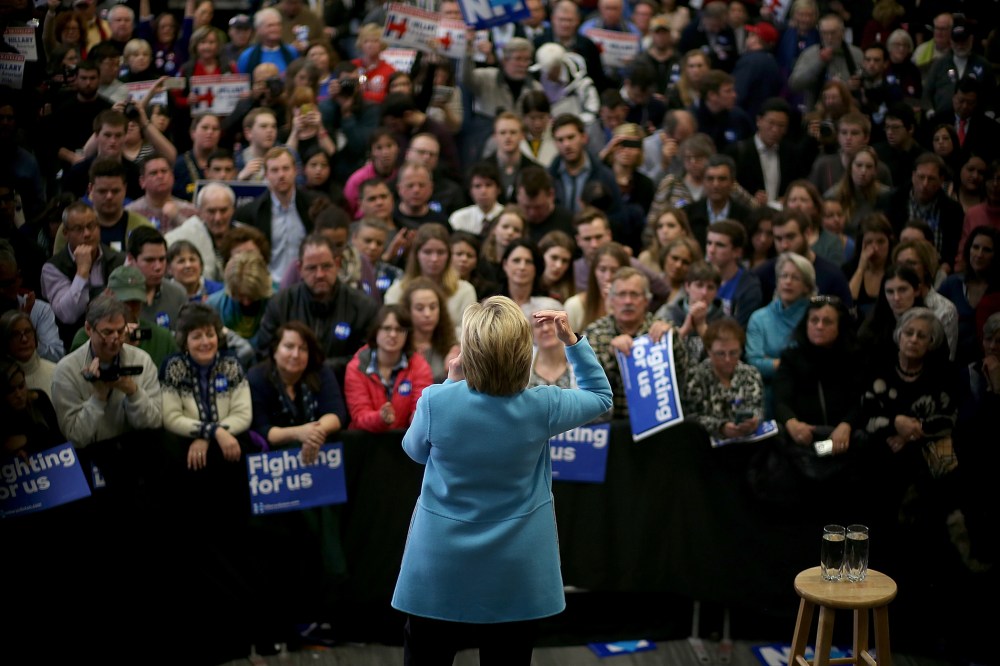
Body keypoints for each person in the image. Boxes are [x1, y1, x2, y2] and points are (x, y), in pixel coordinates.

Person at [391, 300, 612, 664]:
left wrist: (450, 382)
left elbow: (414, 450)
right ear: (522, 351)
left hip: (441, 562)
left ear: (471, 352)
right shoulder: (543, 405)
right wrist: (571, 341)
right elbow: (600, 396)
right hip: (515, 566)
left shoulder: (436, 400)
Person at [246, 320, 348, 647]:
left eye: (302, 348)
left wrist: (316, 430)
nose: (296, 354)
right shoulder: (258, 378)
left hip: (317, 475)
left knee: (324, 541)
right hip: (275, 482)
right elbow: (262, 429)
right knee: (286, 550)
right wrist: (300, 432)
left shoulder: (320, 372)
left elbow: (338, 414)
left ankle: (325, 616)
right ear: (275, 350)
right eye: (289, 346)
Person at [257, 233, 378, 383]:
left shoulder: (363, 307)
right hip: (289, 386)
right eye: (311, 268)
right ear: (300, 268)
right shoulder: (281, 303)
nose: (320, 274)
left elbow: (368, 358)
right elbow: (264, 351)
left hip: (344, 388)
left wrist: (314, 367)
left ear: (338, 264)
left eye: (326, 266)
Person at [51, 294, 162, 448]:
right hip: (91, 456)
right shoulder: (67, 371)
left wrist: (133, 392)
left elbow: (154, 423)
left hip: (134, 450)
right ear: (89, 329)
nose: (115, 339)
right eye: (107, 332)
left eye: (120, 331)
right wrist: (98, 398)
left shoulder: (142, 360)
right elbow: (74, 438)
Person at [585, 267, 687, 420]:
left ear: (647, 300)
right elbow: (590, 387)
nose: (628, 301)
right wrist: (612, 356)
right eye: (621, 294)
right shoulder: (595, 333)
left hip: (657, 420)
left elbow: (683, 377)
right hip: (613, 424)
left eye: (634, 294)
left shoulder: (662, 329)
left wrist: (673, 340)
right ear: (611, 300)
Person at [160, 303, 251, 473]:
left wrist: (210, 436)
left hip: (229, 441)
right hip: (186, 445)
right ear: (185, 341)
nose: (205, 342)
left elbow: (243, 414)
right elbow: (171, 418)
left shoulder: (231, 363)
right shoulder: (173, 366)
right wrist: (214, 432)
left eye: (210, 334)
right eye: (196, 336)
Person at [41, 201, 126, 347]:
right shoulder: (52, 268)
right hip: (73, 344)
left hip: (115, 339)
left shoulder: (119, 260)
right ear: (66, 233)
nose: (87, 234)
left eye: (91, 226)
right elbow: (68, 315)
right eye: (78, 229)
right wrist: (82, 272)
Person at [746, 252, 816, 417]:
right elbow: (754, 363)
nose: (788, 282)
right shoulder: (759, 318)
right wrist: (790, 364)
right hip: (770, 394)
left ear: (807, 286)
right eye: (783, 276)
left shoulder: (814, 316)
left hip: (808, 392)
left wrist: (774, 363)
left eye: (795, 277)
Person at [344, 304, 432, 432]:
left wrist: (418, 417)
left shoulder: (420, 366)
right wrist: (380, 418)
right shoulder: (356, 367)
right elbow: (359, 416)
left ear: (407, 334)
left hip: (405, 442)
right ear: (376, 331)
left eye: (399, 329)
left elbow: (420, 408)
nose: (392, 334)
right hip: (366, 442)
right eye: (387, 328)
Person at [685, 318, 763, 441]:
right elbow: (691, 417)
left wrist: (754, 420)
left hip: (748, 441)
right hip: (708, 446)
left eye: (733, 353)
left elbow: (757, 407)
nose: (727, 359)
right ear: (709, 351)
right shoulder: (695, 377)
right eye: (720, 354)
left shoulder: (750, 374)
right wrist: (721, 427)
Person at [938, 227, 999, 367]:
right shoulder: (951, 284)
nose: (979, 254)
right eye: (975, 247)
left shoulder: (997, 291)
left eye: (987, 250)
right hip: (950, 363)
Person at [658, 260, 729, 363]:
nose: (704, 293)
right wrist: (684, 330)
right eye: (699, 285)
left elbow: (725, 360)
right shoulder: (668, 313)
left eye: (710, 287)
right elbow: (660, 356)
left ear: (717, 291)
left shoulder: (725, 321)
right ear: (687, 286)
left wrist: (702, 327)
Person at [208, 249, 272, 351]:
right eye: (240, 296)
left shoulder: (277, 302)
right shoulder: (214, 305)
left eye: (252, 296)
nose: (246, 302)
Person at [0, 359, 64, 457]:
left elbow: (58, 438)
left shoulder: (39, 399)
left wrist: (26, 439)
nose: (19, 395)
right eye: (11, 390)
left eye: (21, 386)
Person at [401, 278, 459, 384]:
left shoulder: (452, 349)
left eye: (433, 307)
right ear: (407, 311)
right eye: (420, 308)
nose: (427, 314)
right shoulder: (398, 346)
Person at [845, 214, 894, 323]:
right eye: (869, 242)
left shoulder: (896, 270)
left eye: (881, 242)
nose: (875, 248)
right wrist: (860, 269)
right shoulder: (849, 269)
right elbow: (847, 305)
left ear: (889, 243)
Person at [0, 311, 57, 397]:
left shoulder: (56, 372)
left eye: (27, 332)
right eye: (16, 335)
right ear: (5, 340)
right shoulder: (3, 382)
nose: (24, 339)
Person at [638, 207, 692, 274]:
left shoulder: (692, 258)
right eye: (660, 226)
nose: (664, 231)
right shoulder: (646, 258)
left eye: (671, 225)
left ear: (683, 231)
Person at [538, 231, 576, 303]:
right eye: (554, 258)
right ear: (540, 255)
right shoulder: (527, 287)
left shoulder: (572, 297)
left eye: (565, 261)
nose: (559, 265)